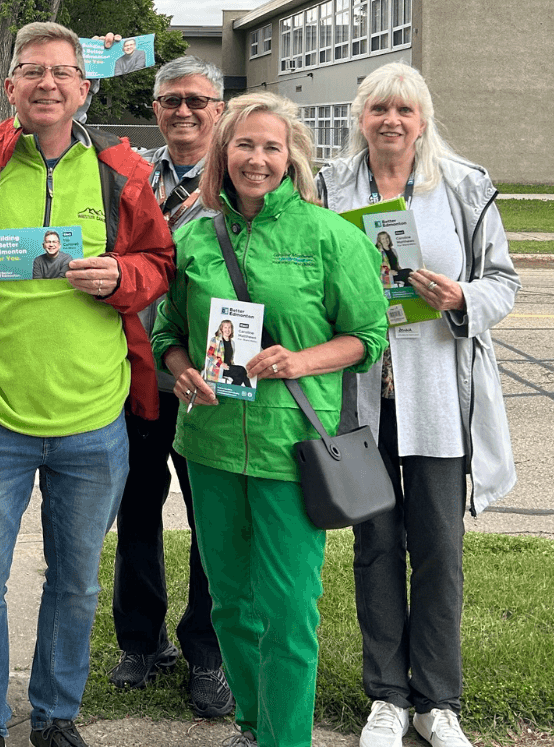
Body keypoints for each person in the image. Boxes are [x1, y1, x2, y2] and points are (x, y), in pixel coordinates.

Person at [0, 22, 174, 747]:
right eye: (33, 72)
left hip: (94, 419)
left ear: (84, 87)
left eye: (62, 72)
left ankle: (56, 715)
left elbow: (158, 263)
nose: (47, 83)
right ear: (10, 87)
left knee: (77, 581)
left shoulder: (121, 172)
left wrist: (124, 275)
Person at [152, 91, 388, 747]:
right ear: (223, 153)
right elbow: (164, 330)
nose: (257, 159)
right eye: (244, 145)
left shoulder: (330, 235)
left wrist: (299, 359)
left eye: (271, 146)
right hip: (212, 441)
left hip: (295, 446)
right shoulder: (193, 233)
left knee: (287, 609)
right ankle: (253, 725)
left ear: (292, 158)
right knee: (229, 599)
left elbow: (369, 337)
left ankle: (287, 740)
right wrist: (179, 368)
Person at [315, 62, 520, 747]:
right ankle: (388, 695)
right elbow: (308, 275)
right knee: (374, 548)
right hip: (362, 399)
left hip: (435, 396)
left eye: (404, 110)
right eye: (379, 110)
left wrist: (461, 298)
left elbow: (503, 281)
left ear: (423, 120)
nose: (392, 121)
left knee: (438, 547)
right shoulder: (329, 188)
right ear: (360, 119)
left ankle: (437, 698)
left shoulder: (464, 186)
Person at [107, 55, 232, 719]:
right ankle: (141, 638)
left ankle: (208, 650)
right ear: (154, 108)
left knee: (211, 517)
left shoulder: (242, 175)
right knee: (137, 508)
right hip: (137, 374)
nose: (183, 112)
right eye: (170, 101)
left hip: (211, 382)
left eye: (197, 100)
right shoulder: (127, 175)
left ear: (218, 107)